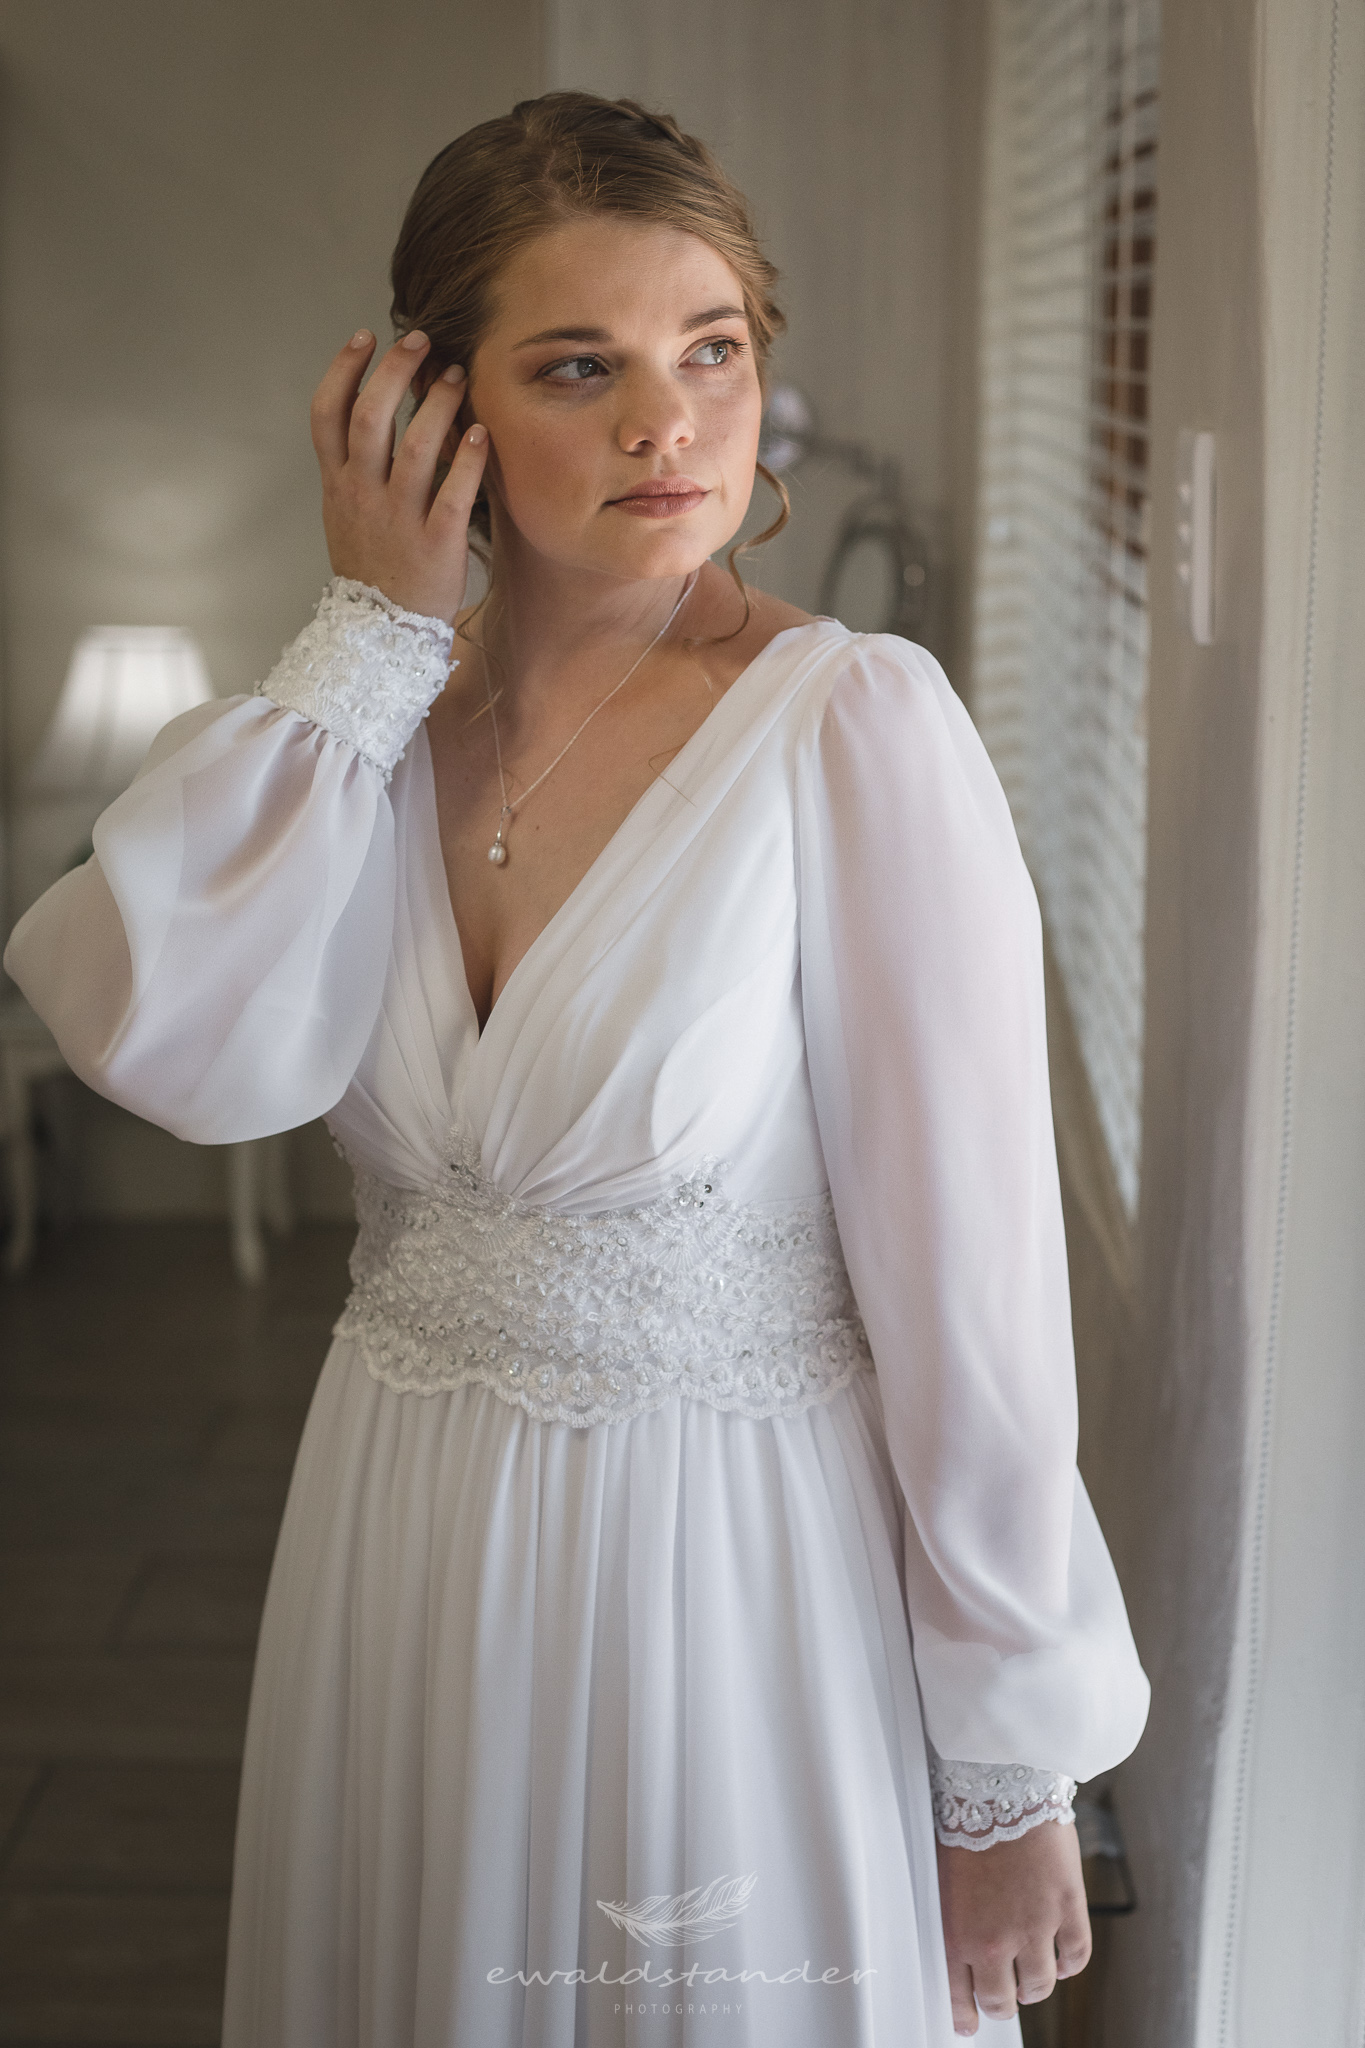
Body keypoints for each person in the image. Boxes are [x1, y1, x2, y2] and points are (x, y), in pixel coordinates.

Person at [3, 90, 1149, 2047]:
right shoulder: (364, 734)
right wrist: (369, 633)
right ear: (426, 408)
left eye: (711, 351)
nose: (665, 424)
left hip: (734, 1581)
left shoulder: (853, 728)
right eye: (577, 367)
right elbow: (169, 1039)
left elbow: (975, 1294)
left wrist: (1004, 1769)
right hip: (400, 1539)